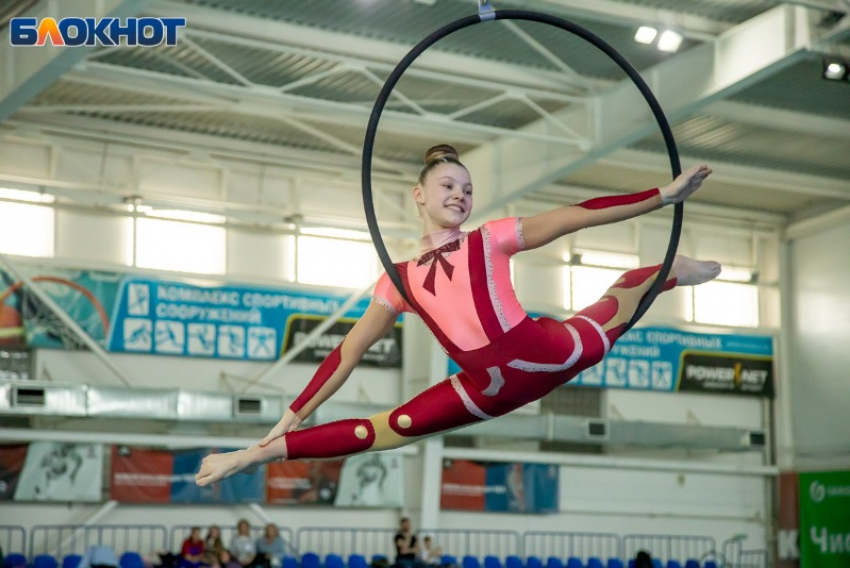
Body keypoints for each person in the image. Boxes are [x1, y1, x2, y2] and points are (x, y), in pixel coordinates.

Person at [195, 144, 720, 485]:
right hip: (483, 389)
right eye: (448, 186)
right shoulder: (396, 279)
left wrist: (662, 196)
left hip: (547, 353)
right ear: (419, 195)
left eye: (468, 190)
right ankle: (251, 456)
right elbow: (347, 352)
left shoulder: (490, 239)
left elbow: (574, 217)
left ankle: (671, 267)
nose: (460, 196)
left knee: (626, 297)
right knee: (387, 427)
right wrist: (291, 415)